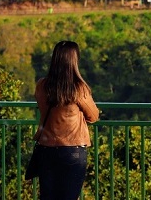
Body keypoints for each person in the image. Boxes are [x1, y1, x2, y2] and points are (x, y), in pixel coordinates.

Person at [34, 40, 100, 200]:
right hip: (73, 151)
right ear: (74, 60)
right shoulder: (78, 88)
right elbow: (93, 116)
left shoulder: (42, 85)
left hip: (46, 149)